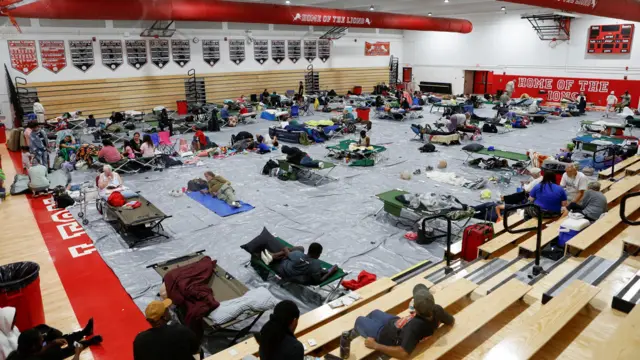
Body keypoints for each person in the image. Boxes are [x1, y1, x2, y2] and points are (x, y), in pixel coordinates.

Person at [349, 284, 454, 359]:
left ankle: (353, 335)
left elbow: (403, 353)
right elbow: (451, 321)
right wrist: (434, 331)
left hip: (386, 336)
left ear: (415, 309)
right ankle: (360, 331)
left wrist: (375, 345)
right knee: (374, 313)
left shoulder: (414, 327)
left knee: (359, 320)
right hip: (396, 323)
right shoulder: (437, 309)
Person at [133, 299, 199, 360]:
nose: (169, 311)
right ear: (164, 316)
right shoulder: (181, 331)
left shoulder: (139, 341)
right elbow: (196, 349)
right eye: (166, 310)